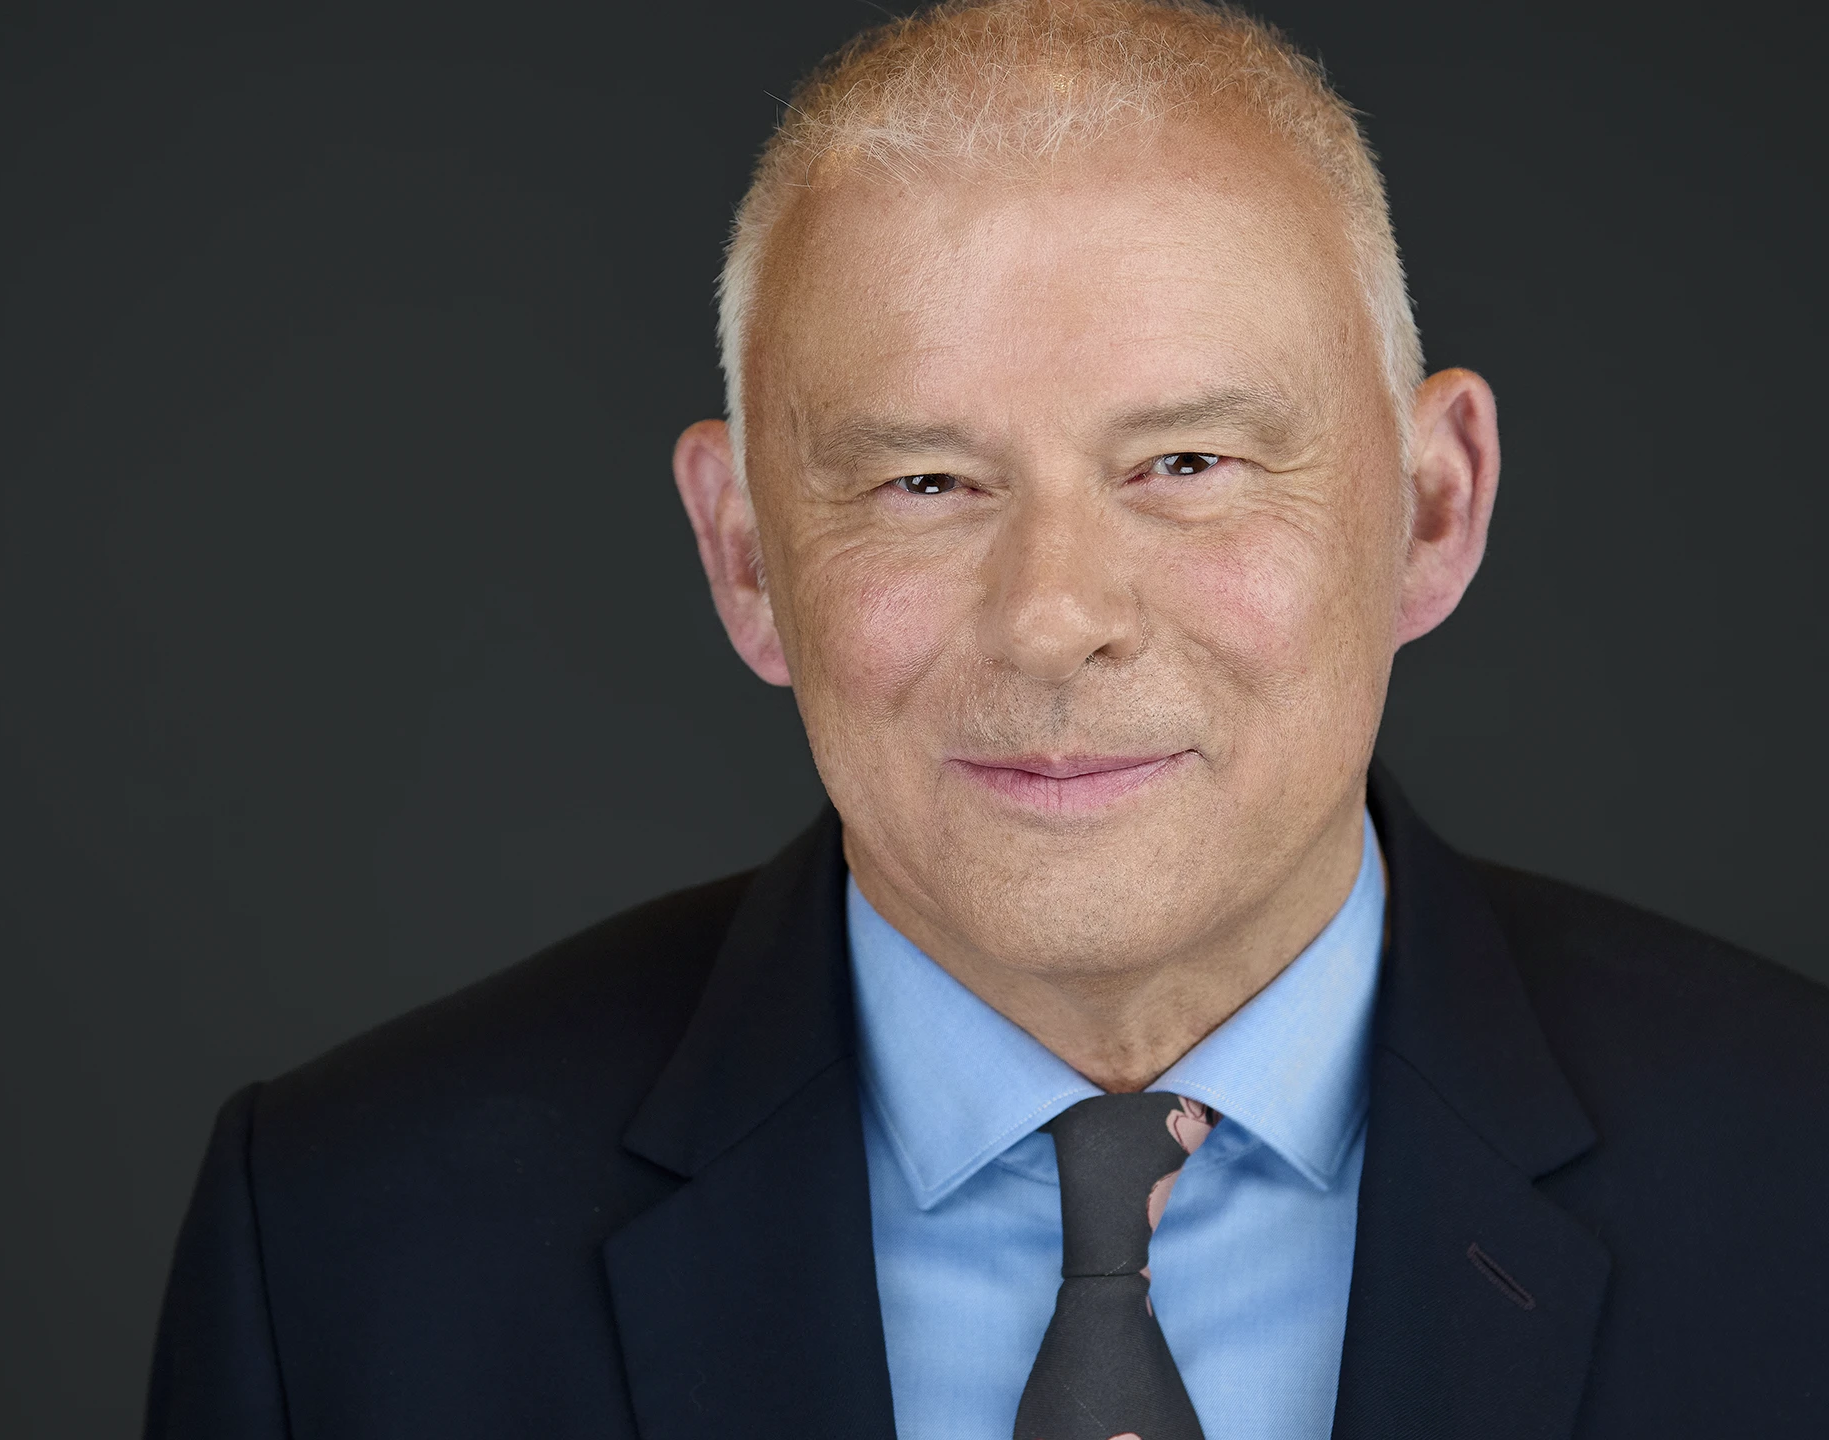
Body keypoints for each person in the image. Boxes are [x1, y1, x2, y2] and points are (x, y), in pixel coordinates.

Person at [145, 2, 1829, 1436]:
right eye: (924, 479)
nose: (1052, 619)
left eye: (1186, 464)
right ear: (744, 557)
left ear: (1435, 510)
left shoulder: (1792, 1183)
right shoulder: (347, 1248)